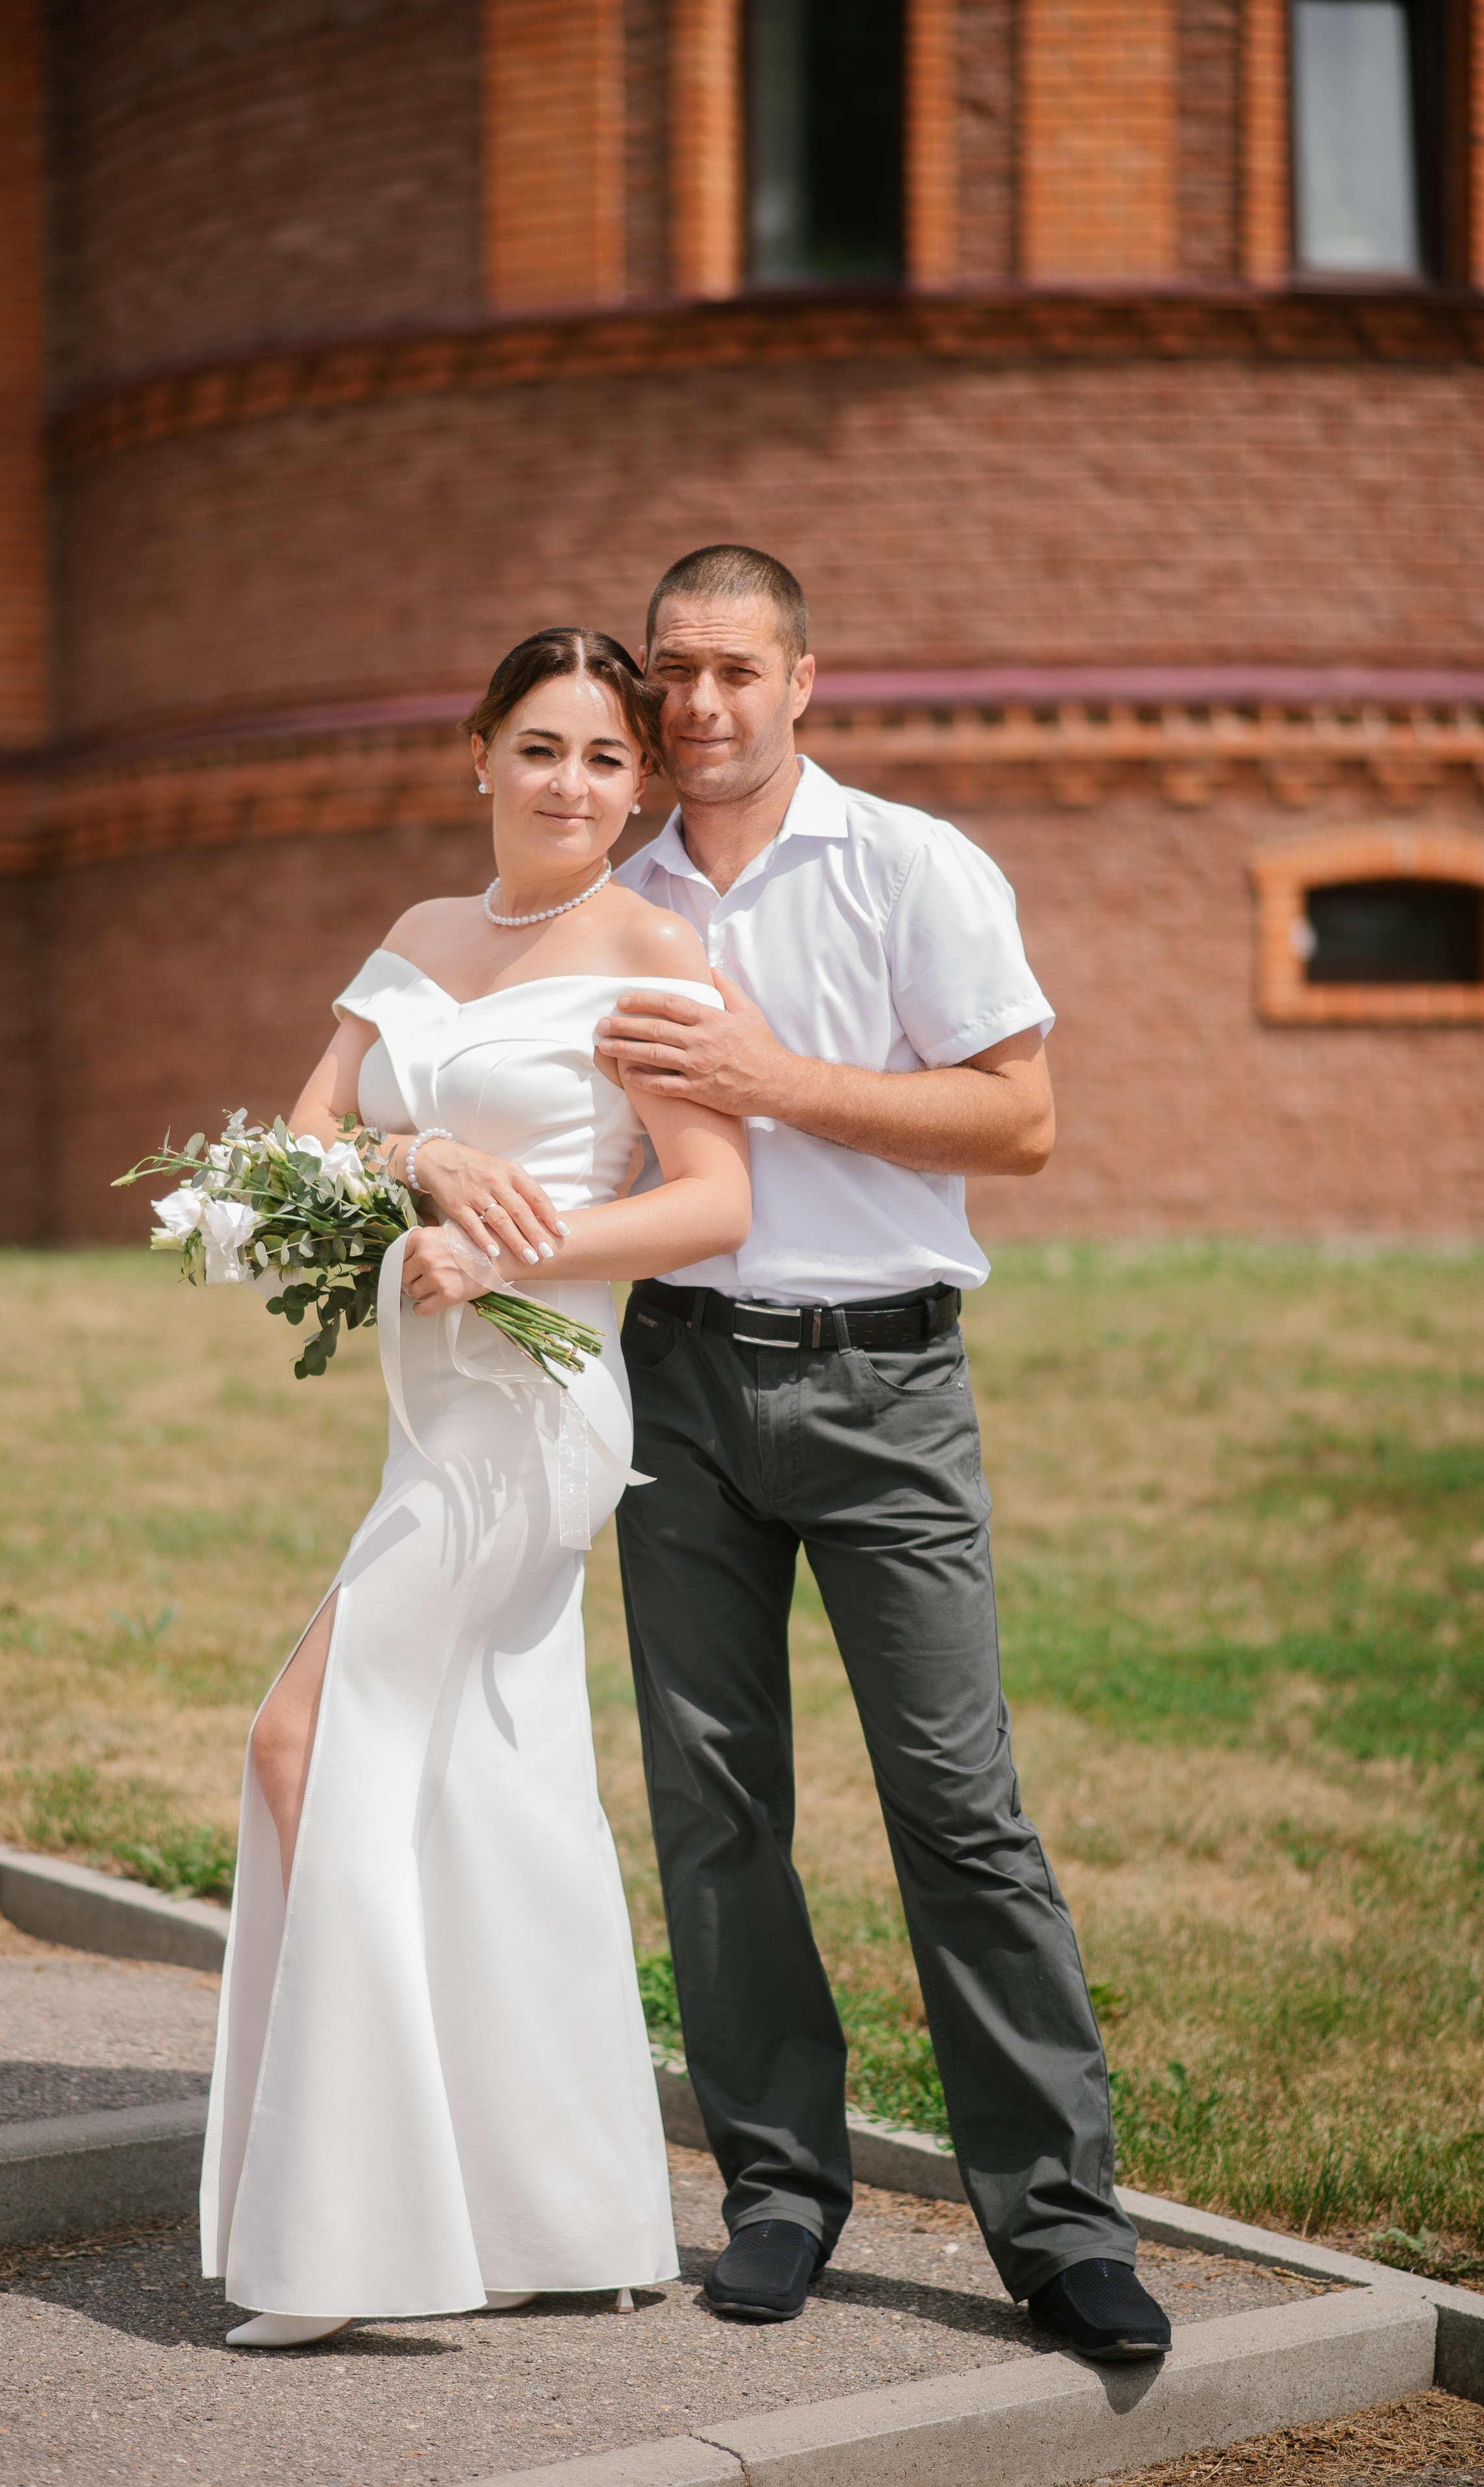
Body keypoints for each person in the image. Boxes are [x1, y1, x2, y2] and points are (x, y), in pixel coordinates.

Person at [595, 545, 1171, 2362]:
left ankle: (1061, 2223)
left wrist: (780, 1083)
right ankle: (780, 2184)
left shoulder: (912, 865)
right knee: (715, 1808)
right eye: (672, 670)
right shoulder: (622, 891)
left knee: (958, 1803)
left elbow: (1023, 1114)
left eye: (735, 670)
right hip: (676, 1389)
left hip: (887, 1390)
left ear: (805, 679)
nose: (700, 703)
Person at [200, 627, 751, 2346]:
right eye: (541, 747)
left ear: (638, 784)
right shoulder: (422, 943)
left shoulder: (657, 951)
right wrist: (410, 1154)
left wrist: (513, 1251)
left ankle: (349, 2237)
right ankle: (558, 2204)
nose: (571, 783)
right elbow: (294, 1141)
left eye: (604, 756)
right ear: (480, 756)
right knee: (487, 1780)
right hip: (422, 1409)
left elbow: (714, 1199)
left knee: (305, 1736)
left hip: (534, 1402)